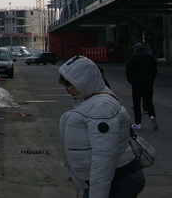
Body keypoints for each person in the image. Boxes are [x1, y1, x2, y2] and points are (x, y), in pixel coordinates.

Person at [59, 55, 145, 198]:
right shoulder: (95, 98)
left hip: (115, 181)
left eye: (70, 85)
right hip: (111, 179)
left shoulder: (101, 108)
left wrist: (97, 194)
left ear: (83, 81)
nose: (67, 90)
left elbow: (104, 158)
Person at [126, 42, 158, 131]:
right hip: (148, 83)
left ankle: (138, 123)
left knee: (136, 103)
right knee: (149, 101)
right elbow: (155, 70)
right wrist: (151, 80)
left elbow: (129, 70)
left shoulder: (133, 57)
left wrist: (131, 81)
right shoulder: (150, 57)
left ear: (136, 49)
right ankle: (152, 116)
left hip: (136, 83)